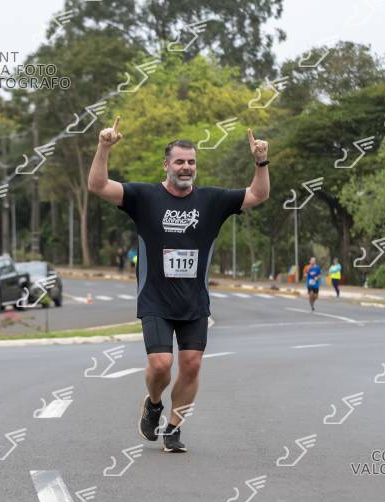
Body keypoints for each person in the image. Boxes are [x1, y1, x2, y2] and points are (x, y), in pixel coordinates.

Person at [87, 117, 270, 452]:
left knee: (192, 365)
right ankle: (154, 403)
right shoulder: (144, 196)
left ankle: (173, 428)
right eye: (180, 162)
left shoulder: (212, 200)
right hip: (155, 298)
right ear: (166, 165)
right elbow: (98, 185)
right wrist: (103, 147)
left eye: (191, 162)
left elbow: (258, 194)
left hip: (194, 301)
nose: (186, 168)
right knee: (161, 365)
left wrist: (261, 161)